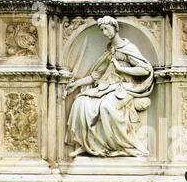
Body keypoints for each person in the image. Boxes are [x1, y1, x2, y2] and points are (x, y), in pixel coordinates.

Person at [65, 16, 154, 157]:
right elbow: (96, 75)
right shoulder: (109, 50)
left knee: (106, 106)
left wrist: (121, 69)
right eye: (102, 30)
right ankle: (88, 144)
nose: (105, 33)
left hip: (124, 88)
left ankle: (126, 145)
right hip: (107, 87)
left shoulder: (128, 48)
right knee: (80, 101)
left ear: (115, 28)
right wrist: (76, 83)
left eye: (106, 29)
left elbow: (145, 69)